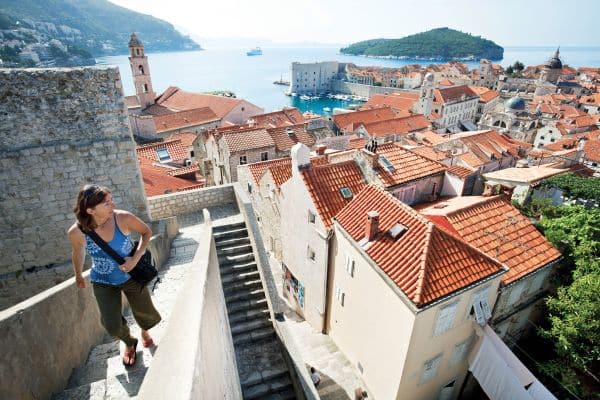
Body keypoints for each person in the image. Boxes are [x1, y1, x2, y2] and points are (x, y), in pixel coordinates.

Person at [68, 184, 161, 367]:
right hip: (102, 280)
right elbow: (77, 252)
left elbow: (146, 232)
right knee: (110, 324)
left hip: (131, 276)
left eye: (111, 201)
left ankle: (144, 331)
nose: (113, 205)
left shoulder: (123, 218)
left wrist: (135, 258)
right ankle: (129, 342)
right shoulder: (76, 232)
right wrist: (78, 275)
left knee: (145, 312)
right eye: (106, 204)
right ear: (90, 210)